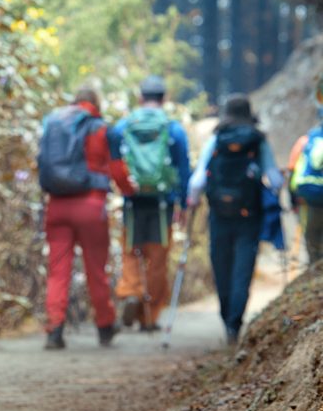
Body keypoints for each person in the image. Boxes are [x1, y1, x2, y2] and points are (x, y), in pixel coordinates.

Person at [38, 88, 135, 349]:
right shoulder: (102, 128)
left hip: (57, 206)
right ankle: (105, 327)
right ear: (96, 102)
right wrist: (129, 191)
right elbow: (117, 169)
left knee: (58, 272)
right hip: (91, 206)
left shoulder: (55, 124)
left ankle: (54, 330)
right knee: (96, 270)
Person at [188, 93, 283, 344]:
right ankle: (234, 324)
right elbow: (273, 178)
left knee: (221, 265)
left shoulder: (217, 137)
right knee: (243, 268)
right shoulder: (257, 140)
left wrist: (193, 200)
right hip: (249, 214)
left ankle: (225, 315)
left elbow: (197, 179)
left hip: (219, 213)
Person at [108, 75, 190, 332]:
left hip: (132, 201)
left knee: (131, 251)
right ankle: (149, 317)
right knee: (158, 258)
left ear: (140, 98)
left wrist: (124, 187)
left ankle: (131, 290)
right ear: (164, 99)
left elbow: (113, 160)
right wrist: (184, 205)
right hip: (163, 203)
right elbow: (183, 169)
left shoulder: (124, 127)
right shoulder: (173, 129)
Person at [288, 78, 323, 264]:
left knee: (312, 238)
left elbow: (292, 168)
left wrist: (292, 199)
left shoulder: (307, 139)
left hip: (309, 196)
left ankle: (314, 267)